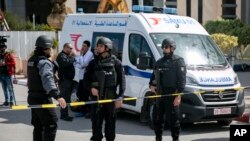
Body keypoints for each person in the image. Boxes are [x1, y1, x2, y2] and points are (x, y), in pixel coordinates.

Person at [85, 37, 125, 141]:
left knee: (110, 127)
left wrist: (120, 97)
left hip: (110, 99)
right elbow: (85, 80)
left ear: (107, 48)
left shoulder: (116, 63)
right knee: (96, 128)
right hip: (96, 99)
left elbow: (122, 81)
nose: (98, 48)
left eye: (100, 46)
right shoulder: (92, 63)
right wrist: (91, 89)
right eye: (97, 46)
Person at [27, 35, 67, 141]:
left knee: (38, 126)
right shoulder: (44, 62)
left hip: (32, 97)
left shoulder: (32, 60)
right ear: (46, 49)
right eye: (51, 48)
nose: (52, 51)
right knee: (51, 124)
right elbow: (47, 80)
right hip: (42, 98)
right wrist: (58, 96)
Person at [149, 38, 186, 141]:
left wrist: (178, 95)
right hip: (159, 95)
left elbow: (182, 80)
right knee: (157, 120)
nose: (164, 49)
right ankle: (158, 137)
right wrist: (152, 86)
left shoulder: (178, 61)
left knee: (173, 121)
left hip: (172, 95)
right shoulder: (159, 62)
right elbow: (153, 78)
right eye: (163, 47)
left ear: (172, 48)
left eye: (166, 47)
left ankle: (175, 139)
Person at [55, 43, 76, 121]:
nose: (71, 50)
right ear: (65, 48)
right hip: (64, 81)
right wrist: (73, 57)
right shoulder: (61, 55)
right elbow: (65, 63)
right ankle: (64, 115)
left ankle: (65, 114)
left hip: (68, 80)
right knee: (65, 98)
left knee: (67, 98)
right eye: (70, 48)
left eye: (71, 48)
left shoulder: (66, 56)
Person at [74, 40, 93, 117]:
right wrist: (80, 60)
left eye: (84, 46)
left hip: (86, 78)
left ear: (88, 47)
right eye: (82, 45)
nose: (82, 47)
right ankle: (84, 109)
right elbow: (77, 63)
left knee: (84, 95)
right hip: (81, 77)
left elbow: (84, 64)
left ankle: (84, 111)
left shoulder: (90, 54)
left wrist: (81, 56)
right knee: (79, 93)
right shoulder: (83, 54)